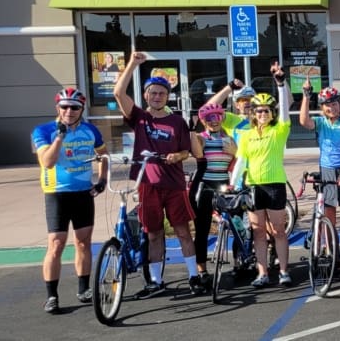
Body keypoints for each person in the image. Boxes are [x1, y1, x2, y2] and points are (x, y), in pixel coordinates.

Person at [113, 51, 201, 297]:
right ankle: (155, 281)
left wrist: (178, 156)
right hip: (147, 183)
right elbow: (118, 93)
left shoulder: (177, 121)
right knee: (153, 234)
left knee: (183, 231)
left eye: (162, 93)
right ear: (146, 95)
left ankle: (194, 275)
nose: (157, 97)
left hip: (173, 184)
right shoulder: (140, 118)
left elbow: (187, 152)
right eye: (153, 93)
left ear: (168, 96)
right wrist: (132, 64)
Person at [32, 88, 108, 313]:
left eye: (75, 107)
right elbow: (47, 162)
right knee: (56, 244)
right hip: (56, 193)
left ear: (82, 109)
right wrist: (60, 136)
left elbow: (103, 154)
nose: (69, 111)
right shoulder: (43, 130)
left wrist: (102, 179)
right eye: (64, 106)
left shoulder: (90, 130)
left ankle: (84, 288)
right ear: (57, 108)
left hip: (83, 193)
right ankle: (52, 295)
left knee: (83, 242)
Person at [229, 63, 295, 288]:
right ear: (253, 114)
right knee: (258, 233)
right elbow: (240, 161)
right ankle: (262, 273)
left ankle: (284, 272)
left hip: (275, 185)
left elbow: (285, 108)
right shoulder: (246, 135)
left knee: (278, 231)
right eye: (258, 110)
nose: (262, 113)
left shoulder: (279, 130)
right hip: (253, 186)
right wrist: (232, 184)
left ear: (272, 113)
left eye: (267, 110)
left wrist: (280, 83)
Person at [299, 82, 340, 281]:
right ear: (322, 107)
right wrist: (305, 95)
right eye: (327, 104)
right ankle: (334, 256)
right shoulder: (320, 122)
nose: (331, 107)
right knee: (328, 219)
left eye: (334, 103)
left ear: (339, 103)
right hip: (326, 171)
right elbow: (303, 121)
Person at [188, 103, 236, 289]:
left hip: (223, 183)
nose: (214, 121)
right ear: (203, 120)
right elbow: (198, 154)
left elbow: (236, 162)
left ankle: (239, 262)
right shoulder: (201, 138)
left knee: (237, 222)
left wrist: (235, 153)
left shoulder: (230, 139)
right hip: (204, 185)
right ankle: (201, 270)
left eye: (217, 117)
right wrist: (193, 131)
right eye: (209, 118)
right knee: (202, 229)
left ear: (222, 118)